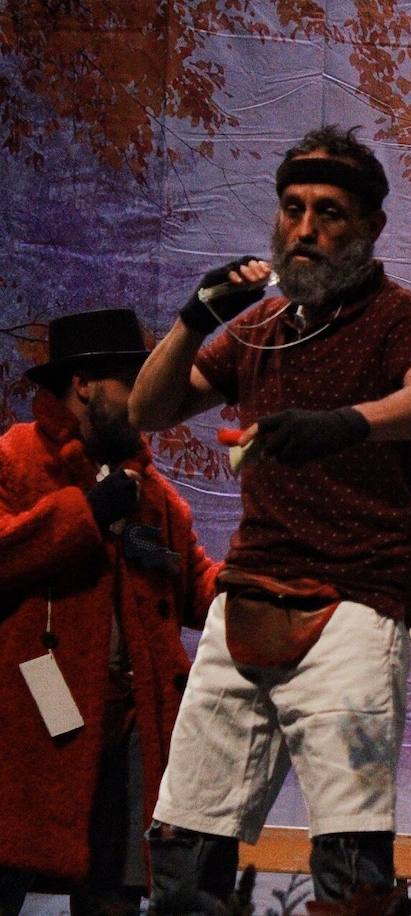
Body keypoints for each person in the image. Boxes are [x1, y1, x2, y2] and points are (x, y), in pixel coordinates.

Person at [127, 125, 411, 910]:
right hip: (244, 598)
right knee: (182, 836)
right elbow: (148, 409)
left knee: (349, 853)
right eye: (292, 209)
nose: (305, 230)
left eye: (330, 213)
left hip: (350, 604)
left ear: (371, 228)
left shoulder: (398, 315)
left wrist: (346, 422)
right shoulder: (260, 327)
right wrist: (193, 318)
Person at [0, 309, 218, 915]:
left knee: (112, 897)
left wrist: (265, 572)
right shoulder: (15, 458)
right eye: (134, 383)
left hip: (125, 732)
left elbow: (199, 585)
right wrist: (85, 514)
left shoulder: (152, 493)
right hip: (29, 727)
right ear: (84, 384)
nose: (148, 400)